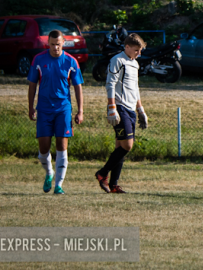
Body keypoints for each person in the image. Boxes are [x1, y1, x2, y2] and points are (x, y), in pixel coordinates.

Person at [27, 29, 84, 195]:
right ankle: (49, 173)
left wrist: (80, 111)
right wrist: (31, 107)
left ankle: (59, 184)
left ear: (63, 43)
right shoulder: (38, 60)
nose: (55, 48)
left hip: (63, 108)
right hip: (44, 109)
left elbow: (78, 87)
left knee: (61, 145)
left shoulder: (71, 62)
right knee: (43, 148)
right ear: (48, 43)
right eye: (52, 44)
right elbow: (32, 85)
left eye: (58, 44)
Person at [95, 33, 149, 194]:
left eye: (140, 51)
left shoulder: (135, 63)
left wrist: (140, 110)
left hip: (131, 109)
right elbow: (110, 84)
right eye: (136, 50)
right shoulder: (117, 60)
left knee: (120, 146)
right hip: (120, 107)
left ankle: (113, 185)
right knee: (127, 145)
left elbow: (135, 88)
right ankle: (102, 173)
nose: (138, 53)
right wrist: (111, 107)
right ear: (127, 47)